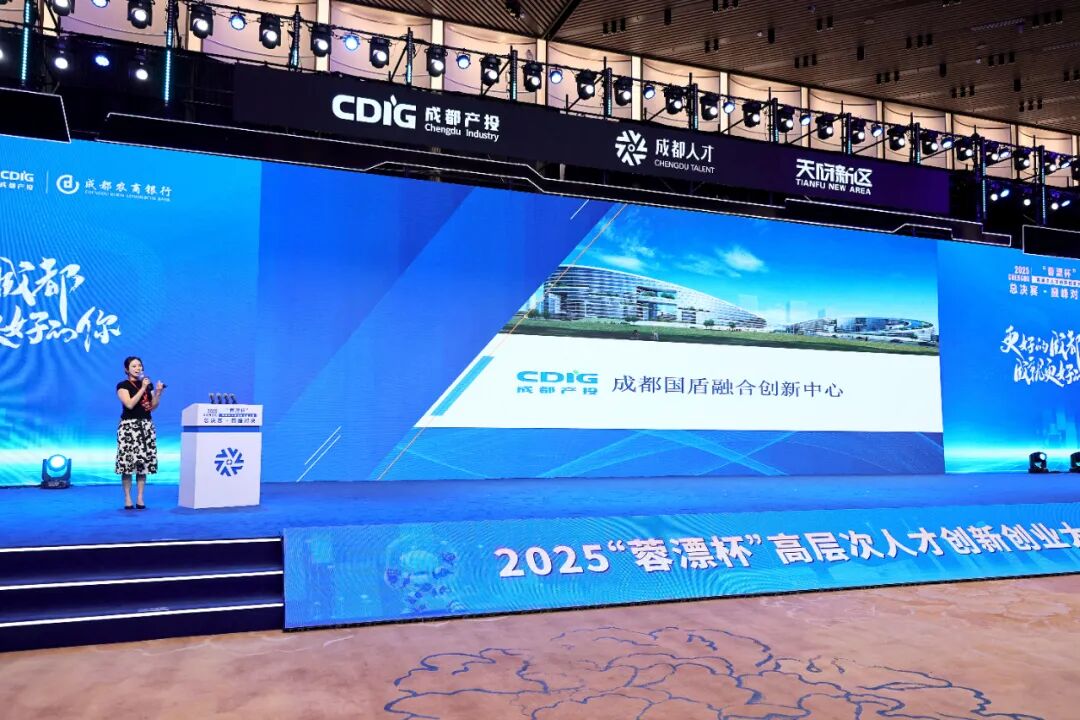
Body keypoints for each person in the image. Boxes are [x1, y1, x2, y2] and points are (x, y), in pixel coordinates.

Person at [115, 356, 164, 510]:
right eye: (134, 366)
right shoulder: (122, 386)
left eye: (139, 365)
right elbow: (129, 404)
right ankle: (127, 498)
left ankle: (140, 497)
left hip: (146, 426)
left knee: (142, 465)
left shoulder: (147, 385)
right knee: (128, 465)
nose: (138, 368)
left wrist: (157, 393)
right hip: (129, 428)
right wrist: (143, 388)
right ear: (126, 369)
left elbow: (151, 407)